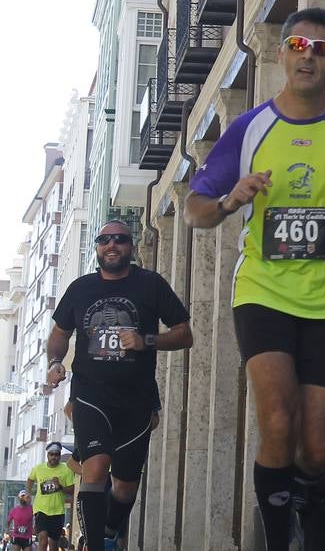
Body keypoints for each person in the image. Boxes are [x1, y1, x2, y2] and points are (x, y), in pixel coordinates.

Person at [183, 7, 325, 551]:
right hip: (262, 292)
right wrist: (229, 198)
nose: (308, 56)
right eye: (297, 44)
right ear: (282, 53)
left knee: (316, 445)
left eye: (320, 48)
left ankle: (315, 531)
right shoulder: (250, 128)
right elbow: (194, 210)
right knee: (278, 424)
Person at [45, 220, 192, 551]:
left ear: (130, 246)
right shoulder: (81, 288)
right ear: (97, 247)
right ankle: (95, 544)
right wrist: (55, 363)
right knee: (95, 466)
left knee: (125, 486)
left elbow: (185, 333)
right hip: (90, 395)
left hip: (136, 399)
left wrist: (145, 340)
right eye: (104, 240)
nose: (111, 245)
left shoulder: (150, 285)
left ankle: (108, 531)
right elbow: (58, 336)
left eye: (120, 240)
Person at [28, 445, 75, 551]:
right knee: (43, 540)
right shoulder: (39, 468)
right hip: (41, 509)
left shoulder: (66, 469)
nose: (54, 457)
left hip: (57, 511)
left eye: (57, 454)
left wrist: (60, 487)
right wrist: (28, 493)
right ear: (47, 455)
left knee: (53, 544)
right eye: (51, 454)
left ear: (60, 455)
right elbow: (30, 479)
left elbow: (72, 489)